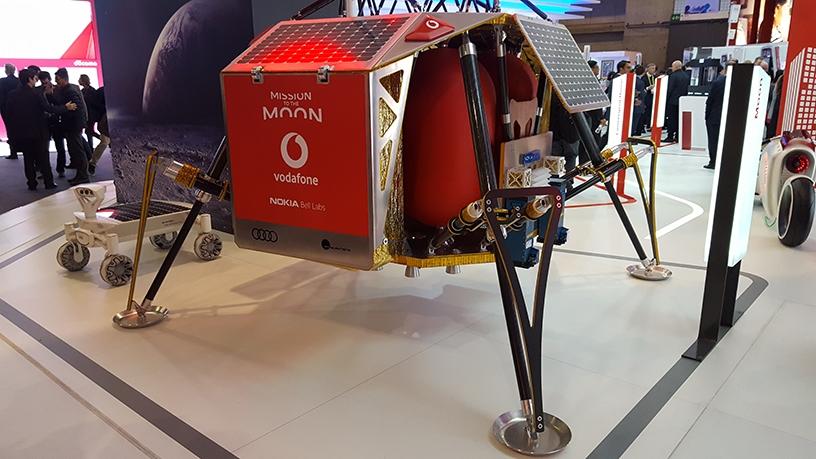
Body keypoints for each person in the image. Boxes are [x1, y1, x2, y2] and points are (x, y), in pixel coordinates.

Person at [5, 69, 76, 190]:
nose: (36, 80)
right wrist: (66, 107)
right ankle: (49, 183)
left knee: (28, 159)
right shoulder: (36, 94)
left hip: (22, 132)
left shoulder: (12, 95)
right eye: (34, 78)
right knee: (43, 157)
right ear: (29, 79)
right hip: (39, 131)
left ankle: (31, 184)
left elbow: (9, 114)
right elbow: (49, 108)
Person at [53, 68, 90, 184]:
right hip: (73, 125)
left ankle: (83, 175)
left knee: (77, 150)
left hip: (74, 126)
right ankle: (81, 174)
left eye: (57, 79)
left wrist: (64, 109)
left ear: (63, 78)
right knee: (75, 149)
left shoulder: (70, 90)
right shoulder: (70, 88)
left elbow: (76, 108)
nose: (56, 81)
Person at [37, 71, 68, 178]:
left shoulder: (58, 89)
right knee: (44, 148)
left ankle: (61, 169)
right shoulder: (38, 91)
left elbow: (61, 104)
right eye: (42, 83)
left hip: (56, 122)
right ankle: (44, 171)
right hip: (44, 123)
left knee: (60, 147)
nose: (44, 85)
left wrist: (51, 95)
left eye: (46, 82)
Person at [550, 99, 580, 191]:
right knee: (570, 157)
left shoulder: (552, 92)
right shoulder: (576, 95)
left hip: (556, 130)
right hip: (570, 130)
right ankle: (568, 182)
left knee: (555, 159)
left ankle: (555, 183)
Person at [704, 63, 727, 170]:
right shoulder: (740, 83)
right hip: (730, 117)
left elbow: (710, 100)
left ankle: (713, 161)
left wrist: (706, 115)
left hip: (715, 116)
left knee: (713, 140)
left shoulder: (718, 82)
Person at [665, 60, 690, 143]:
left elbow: (670, 89)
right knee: (679, 119)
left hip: (672, 101)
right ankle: (678, 136)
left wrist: (666, 99)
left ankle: (670, 136)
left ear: (675, 67)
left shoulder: (673, 76)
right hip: (682, 101)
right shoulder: (686, 76)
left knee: (671, 119)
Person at [0, 63, 21, 159]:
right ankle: (22, 149)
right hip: (18, 108)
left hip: (6, 109)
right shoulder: (19, 81)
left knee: (10, 130)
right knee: (19, 129)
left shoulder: (2, 81)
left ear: (6, 71)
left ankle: (13, 152)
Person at [88, 86, 109, 175]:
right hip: (105, 121)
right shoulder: (101, 91)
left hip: (112, 120)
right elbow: (94, 104)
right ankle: (92, 163)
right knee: (104, 143)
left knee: (104, 143)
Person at [78, 74, 99, 152]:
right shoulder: (83, 91)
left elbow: (94, 103)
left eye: (80, 79)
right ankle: (90, 148)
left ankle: (105, 141)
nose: (79, 81)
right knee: (89, 132)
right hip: (86, 115)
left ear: (83, 80)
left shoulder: (92, 91)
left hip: (91, 115)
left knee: (89, 132)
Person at [632, 65, 647, 136]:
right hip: (637, 105)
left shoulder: (633, 80)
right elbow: (642, 94)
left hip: (634, 104)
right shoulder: (640, 82)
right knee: (635, 122)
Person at [642, 63, 657, 132]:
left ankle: (649, 125)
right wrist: (648, 88)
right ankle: (644, 125)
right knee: (646, 112)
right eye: (652, 68)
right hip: (647, 97)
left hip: (653, 96)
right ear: (648, 69)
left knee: (652, 111)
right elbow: (642, 88)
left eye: (654, 68)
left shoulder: (655, 77)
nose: (653, 70)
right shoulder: (644, 78)